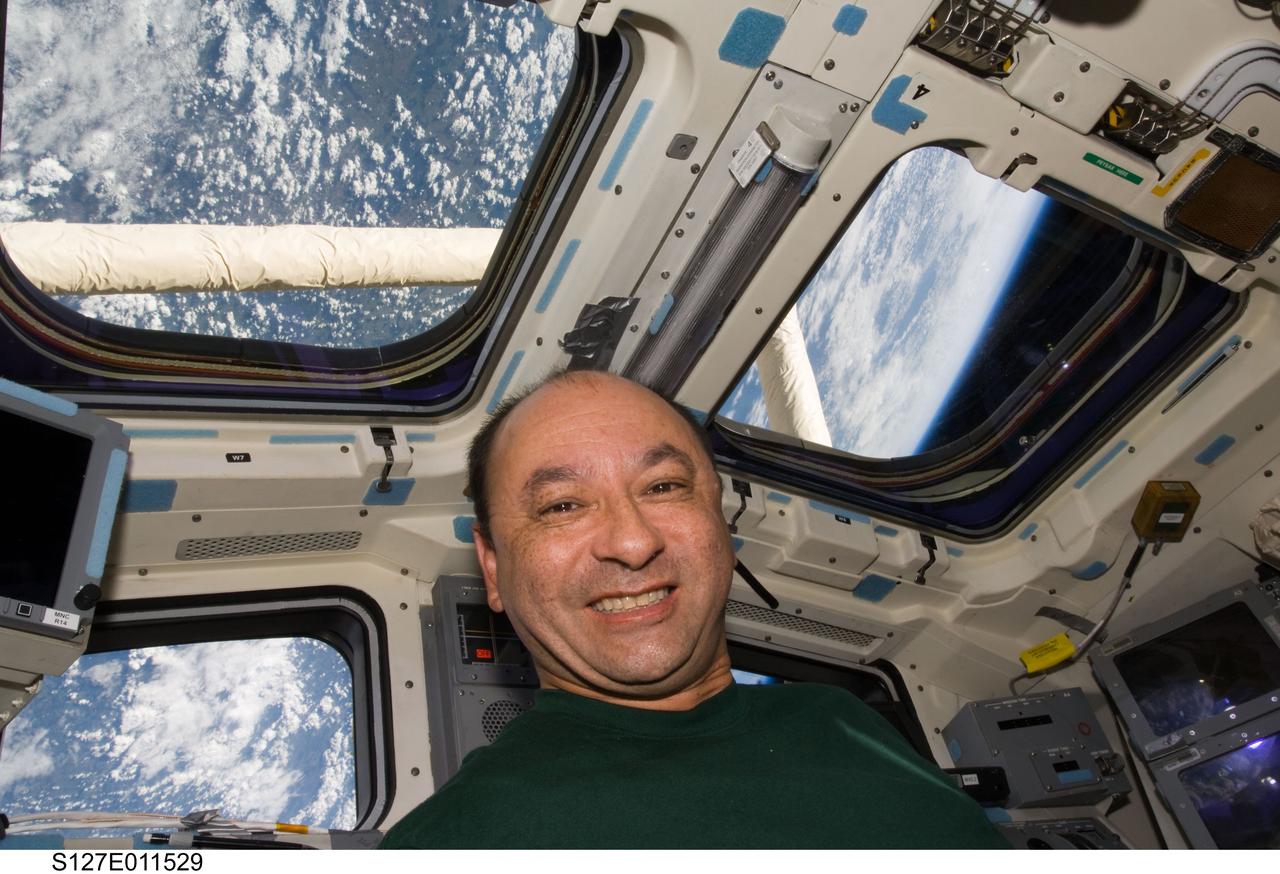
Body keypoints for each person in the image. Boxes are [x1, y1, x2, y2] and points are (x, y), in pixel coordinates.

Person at [380, 370, 1007, 848]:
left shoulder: (834, 713)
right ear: (493, 568)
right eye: (562, 506)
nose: (632, 540)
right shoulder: (454, 838)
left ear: (721, 527)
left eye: (664, 487)